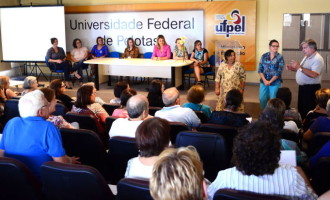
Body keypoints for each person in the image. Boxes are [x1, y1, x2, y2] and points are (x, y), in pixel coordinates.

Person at [207, 121, 317, 199]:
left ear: (238, 151)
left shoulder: (224, 178)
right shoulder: (294, 178)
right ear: (276, 152)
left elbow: (208, 196)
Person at [0, 90, 79, 177]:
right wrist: (70, 160)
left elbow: (1, 154)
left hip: (13, 178)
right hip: (39, 181)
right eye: (47, 105)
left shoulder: (11, 123)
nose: (49, 107)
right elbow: (61, 162)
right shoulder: (48, 127)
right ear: (40, 112)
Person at [286, 39, 324, 119]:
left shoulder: (318, 59)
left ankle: (308, 127)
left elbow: (314, 74)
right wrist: (293, 68)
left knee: (308, 109)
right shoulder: (307, 56)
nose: (303, 50)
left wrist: (299, 67)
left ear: (312, 48)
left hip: (311, 89)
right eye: (303, 48)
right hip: (303, 87)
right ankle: (302, 125)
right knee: (301, 108)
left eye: (305, 48)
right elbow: (301, 70)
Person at [258, 39, 284, 109]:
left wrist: (270, 81)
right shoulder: (264, 56)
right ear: (269, 47)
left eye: (277, 46)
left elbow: (278, 72)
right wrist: (265, 81)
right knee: (262, 98)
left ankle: (273, 114)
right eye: (274, 46)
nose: (275, 48)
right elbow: (260, 69)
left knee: (273, 100)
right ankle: (264, 113)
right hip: (264, 81)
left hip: (275, 82)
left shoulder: (280, 57)